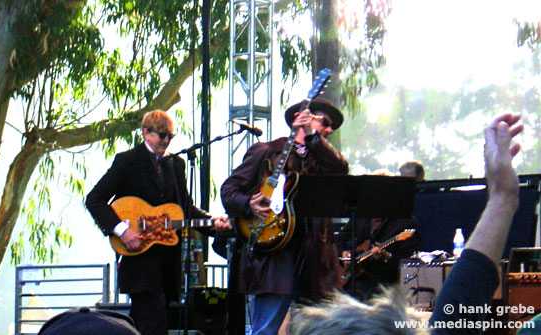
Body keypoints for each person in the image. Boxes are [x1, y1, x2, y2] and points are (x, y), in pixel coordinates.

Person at [288, 113, 524, 335]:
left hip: (383, 289)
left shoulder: (404, 225)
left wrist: (385, 257)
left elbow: (408, 264)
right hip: (354, 286)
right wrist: (347, 254)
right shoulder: (360, 219)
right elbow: (340, 240)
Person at [85, 110, 230, 335]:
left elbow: (184, 209)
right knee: (152, 322)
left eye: (170, 137)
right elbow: (94, 199)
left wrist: (212, 221)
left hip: (168, 263)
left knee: (150, 322)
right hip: (140, 261)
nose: (165, 141)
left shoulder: (177, 164)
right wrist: (123, 231)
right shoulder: (127, 161)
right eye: (161, 135)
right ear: (146, 133)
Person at [221, 97, 350, 335]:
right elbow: (229, 190)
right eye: (326, 122)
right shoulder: (266, 151)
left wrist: (314, 137)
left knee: (320, 330)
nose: (330, 129)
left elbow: (341, 170)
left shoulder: (323, 159)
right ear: (301, 119)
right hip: (276, 255)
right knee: (266, 330)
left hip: (316, 258)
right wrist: (248, 203)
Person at [339, 215, 420, 301]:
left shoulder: (405, 222)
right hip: (354, 282)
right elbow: (339, 240)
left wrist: (387, 257)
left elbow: (408, 263)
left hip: (385, 287)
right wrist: (344, 253)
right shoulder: (360, 217)